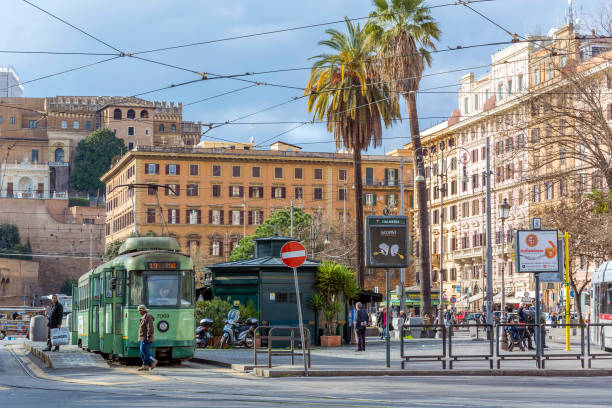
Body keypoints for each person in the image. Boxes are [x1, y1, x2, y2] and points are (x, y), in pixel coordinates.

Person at [137, 305, 158, 371]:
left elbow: (150, 328)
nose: (139, 312)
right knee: (142, 351)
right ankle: (145, 365)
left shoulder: (148, 317)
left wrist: (149, 336)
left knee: (144, 350)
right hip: (142, 337)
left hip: (146, 337)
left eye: (139, 311)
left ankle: (153, 360)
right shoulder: (143, 317)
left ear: (142, 311)